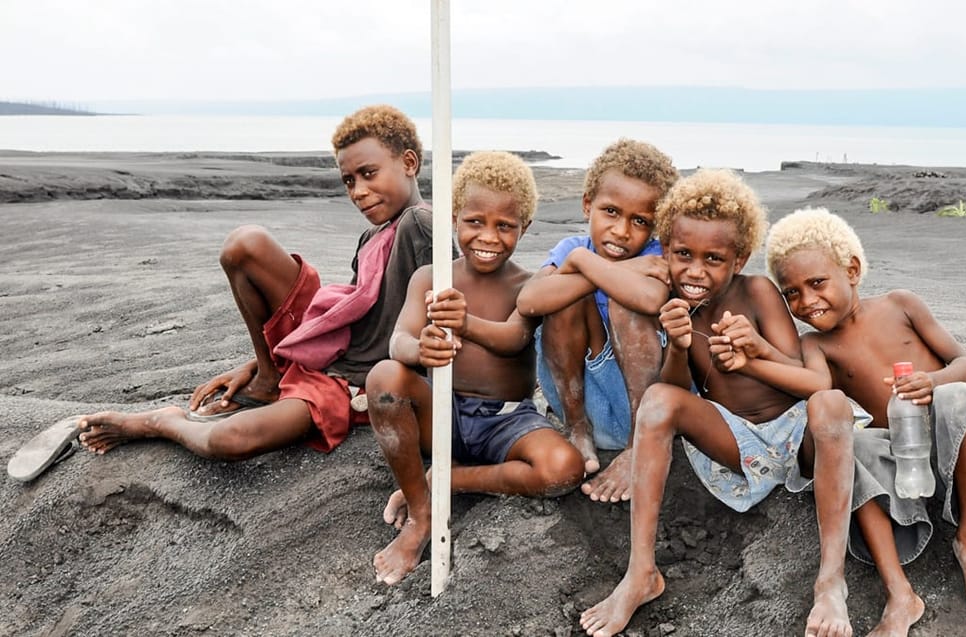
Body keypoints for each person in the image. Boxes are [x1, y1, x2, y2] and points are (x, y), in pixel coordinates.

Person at [581, 170, 862, 637]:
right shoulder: (675, 303)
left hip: (795, 435)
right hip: (735, 440)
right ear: (665, 250)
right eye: (683, 255)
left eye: (714, 259)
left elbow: (806, 383)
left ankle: (831, 582)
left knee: (832, 403)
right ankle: (640, 574)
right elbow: (676, 389)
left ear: (739, 259)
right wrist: (677, 343)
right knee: (656, 400)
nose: (695, 271)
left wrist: (753, 354)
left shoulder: (757, 293)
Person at [76, 104, 442, 459]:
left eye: (368, 172)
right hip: (335, 354)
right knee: (244, 245)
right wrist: (260, 364)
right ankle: (270, 378)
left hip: (354, 382)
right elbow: (350, 322)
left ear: (409, 163)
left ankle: (162, 423)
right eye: (348, 180)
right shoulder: (372, 237)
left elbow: (442, 324)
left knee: (229, 441)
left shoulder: (421, 225)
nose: (357, 191)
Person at [765, 207, 966, 635]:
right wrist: (754, 359)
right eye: (792, 294)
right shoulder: (817, 345)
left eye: (817, 283)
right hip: (900, 460)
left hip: (953, 443)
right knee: (854, 446)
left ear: (853, 270)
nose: (806, 301)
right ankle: (900, 593)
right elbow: (816, 388)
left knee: (959, 395)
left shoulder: (901, 304)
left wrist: (933, 381)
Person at [367, 151, 586, 585]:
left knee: (563, 467)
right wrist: (420, 349)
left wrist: (465, 323)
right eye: (474, 222)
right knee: (384, 378)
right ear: (453, 218)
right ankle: (420, 513)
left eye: (505, 226)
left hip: (506, 419)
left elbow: (515, 338)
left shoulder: (528, 286)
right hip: (441, 414)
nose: (488, 236)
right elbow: (399, 340)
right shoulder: (432, 278)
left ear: (523, 227)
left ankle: (450, 480)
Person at [515, 138, 678, 502]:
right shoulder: (573, 247)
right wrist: (588, 264)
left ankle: (639, 445)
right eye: (610, 212)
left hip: (639, 407)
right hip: (580, 400)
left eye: (640, 221)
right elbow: (528, 300)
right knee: (563, 298)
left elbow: (650, 297)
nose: (621, 231)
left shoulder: (656, 255)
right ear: (588, 204)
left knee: (625, 299)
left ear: (656, 227)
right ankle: (577, 431)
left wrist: (584, 264)